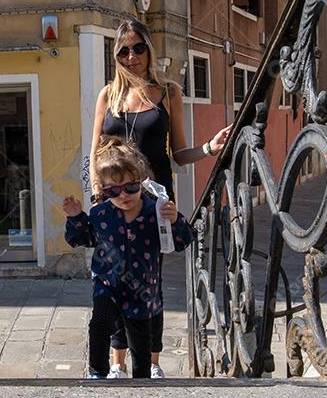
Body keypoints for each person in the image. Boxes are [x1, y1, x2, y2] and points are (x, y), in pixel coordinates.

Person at [90, 19, 231, 378]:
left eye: (138, 47)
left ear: (149, 49)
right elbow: (95, 153)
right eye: (124, 50)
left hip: (152, 201)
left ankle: (151, 360)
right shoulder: (108, 96)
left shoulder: (168, 92)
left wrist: (208, 148)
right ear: (116, 55)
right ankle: (118, 362)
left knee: (148, 280)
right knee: (112, 278)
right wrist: (97, 196)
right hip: (114, 199)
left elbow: (179, 153)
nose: (132, 55)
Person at [63, 137, 195, 379]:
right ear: (103, 190)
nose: (123, 195)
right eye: (113, 190)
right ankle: (97, 373)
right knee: (99, 323)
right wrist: (75, 218)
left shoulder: (155, 211)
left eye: (130, 187)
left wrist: (175, 220)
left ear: (141, 181)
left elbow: (183, 241)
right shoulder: (101, 213)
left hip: (142, 291)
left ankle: (142, 380)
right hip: (107, 284)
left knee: (140, 346)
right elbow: (82, 238)